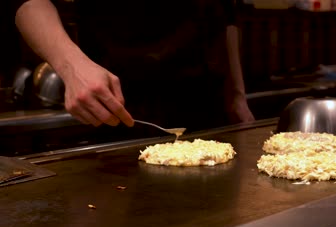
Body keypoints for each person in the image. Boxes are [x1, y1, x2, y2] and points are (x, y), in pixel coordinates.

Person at [12, 0, 255, 131]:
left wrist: (236, 94)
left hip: (209, 104)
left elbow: (226, 15)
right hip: (121, 104)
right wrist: (72, 66)